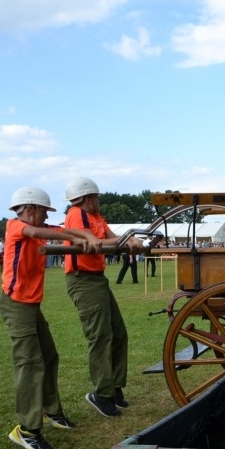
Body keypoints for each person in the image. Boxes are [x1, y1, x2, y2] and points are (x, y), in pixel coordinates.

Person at [0, 187, 101, 449]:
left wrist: (87, 236)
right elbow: (41, 232)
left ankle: (50, 411)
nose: (46, 216)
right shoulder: (15, 227)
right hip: (16, 304)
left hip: (31, 306)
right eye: (44, 211)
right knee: (30, 363)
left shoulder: (37, 229)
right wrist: (81, 233)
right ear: (30, 208)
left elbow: (58, 232)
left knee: (49, 356)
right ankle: (26, 429)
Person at [63, 177, 144, 418]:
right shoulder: (76, 214)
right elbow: (96, 242)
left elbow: (111, 236)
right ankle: (102, 393)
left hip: (97, 279)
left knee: (118, 333)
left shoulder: (97, 217)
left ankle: (115, 387)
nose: (99, 200)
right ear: (88, 197)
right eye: (97, 196)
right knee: (101, 336)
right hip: (83, 280)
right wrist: (126, 240)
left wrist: (127, 240)